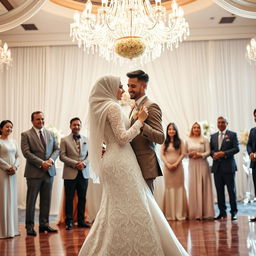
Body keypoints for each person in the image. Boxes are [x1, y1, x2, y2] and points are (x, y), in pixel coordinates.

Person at [78, 76, 189, 256]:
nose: (123, 90)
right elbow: (122, 138)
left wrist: (136, 118)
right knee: (136, 202)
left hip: (115, 159)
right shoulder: (112, 106)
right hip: (121, 160)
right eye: (120, 86)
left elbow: (112, 136)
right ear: (109, 88)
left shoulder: (104, 107)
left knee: (115, 205)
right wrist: (140, 120)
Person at [21, 111, 60, 236]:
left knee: (46, 200)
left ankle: (44, 225)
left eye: (42, 119)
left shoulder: (51, 133)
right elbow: (26, 153)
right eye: (38, 119)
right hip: (34, 173)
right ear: (32, 121)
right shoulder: (26, 134)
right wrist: (41, 163)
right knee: (31, 201)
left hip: (49, 172)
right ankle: (30, 227)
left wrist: (51, 161)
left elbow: (57, 149)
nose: (41, 121)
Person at [127, 70, 164, 193]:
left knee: (147, 205)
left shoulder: (151, 106)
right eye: (128, 85)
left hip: (145, 164)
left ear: (144, 86)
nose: (129, 89)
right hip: (132, 162)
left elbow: (160, 137)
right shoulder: (134, 106)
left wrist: (142, 125)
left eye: (133, 86)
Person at [60, 117, 90, 230]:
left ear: (81, 126)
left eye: (78, 125)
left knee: (82, 198)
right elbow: (62, 156)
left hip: (84, 173)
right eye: (74, 125)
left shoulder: (86, 139)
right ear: (70, 126)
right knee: (69, 198)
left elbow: (90, 155)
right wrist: (76, 163)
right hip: (70, 173)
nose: (76, 127)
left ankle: (81, 220)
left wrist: (84, 164)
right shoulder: (64, 140)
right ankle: (69, 222)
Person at [210, 117, 239, 221]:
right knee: (219, 191)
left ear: (227, 123)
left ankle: (234, 212)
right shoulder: (212, 136)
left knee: (232, 191)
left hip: (229, 168)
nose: (221, 124)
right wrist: (214, 154)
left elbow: (237, 148)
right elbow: (211, 150)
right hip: (217, 169)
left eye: (223, 122)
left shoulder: (232, 134)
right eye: (219, 122)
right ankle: (222, 212)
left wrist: (224, 153)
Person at [185, 122, 214, 220]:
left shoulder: (205, 139)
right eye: (194, 128)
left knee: (204, 186)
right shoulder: (188, 140)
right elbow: (184, 153)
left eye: (198, 127)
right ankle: (195, 213)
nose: (196, 129)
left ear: (200, 129)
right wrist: (190, 154)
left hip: (202, 164)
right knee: (194, 187)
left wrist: (200, 155)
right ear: (192, 129)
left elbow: (208, 152)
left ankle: (206, 213)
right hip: (192, 165)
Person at [160, 122, 188, 220]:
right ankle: (170, 214)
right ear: (167, 131)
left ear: (176, 131)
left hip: (178, 169)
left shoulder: (180, 141)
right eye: (169, 129)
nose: (171, 131)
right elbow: (162, 155)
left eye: (173, 129)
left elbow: (183, 153)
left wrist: (176, 164)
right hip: (167, 169)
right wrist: (167, 164)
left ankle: (179, 214)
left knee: (179, 188)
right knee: (169, 189)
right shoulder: (165, 142)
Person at [0, 120, 20, 239]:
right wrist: (8, 167)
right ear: (1, 128)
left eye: (11, 127)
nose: (9, 129)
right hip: (2, 173)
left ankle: (12, 229)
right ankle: (3, 230)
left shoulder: (14, 141)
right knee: (3, 199)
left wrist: (15, 167)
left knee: (12, 199)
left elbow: (18, 156)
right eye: (7, 127)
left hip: (13, 174)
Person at [247, 108, 256, 222]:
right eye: (255, 115)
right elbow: (249, 145)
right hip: (254, 164)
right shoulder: (253, 130)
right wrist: (251, 153)